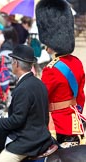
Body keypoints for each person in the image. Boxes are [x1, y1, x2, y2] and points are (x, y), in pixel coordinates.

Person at [0, 44, 56, 162]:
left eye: (12, 61)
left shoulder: (23, 88)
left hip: (27, 142)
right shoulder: (39, 83)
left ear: (16, 63)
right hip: (43, 136)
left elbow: (17, 120)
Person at [36, 0, 85, 147]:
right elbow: (80, 95)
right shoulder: (76, 62)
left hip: (58, 123)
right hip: (75, 121)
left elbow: (42, 100)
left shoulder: (51, 69)